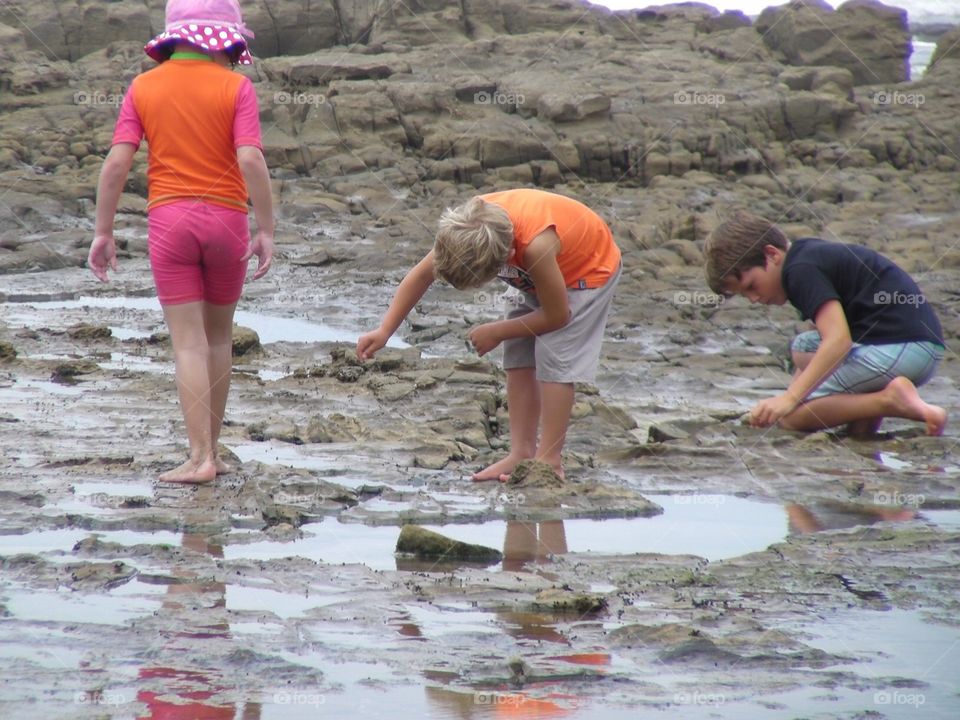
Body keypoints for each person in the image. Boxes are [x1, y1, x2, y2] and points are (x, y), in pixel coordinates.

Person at [87, 0, 274, 484]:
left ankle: (199, 458)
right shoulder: (237, 87)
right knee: (218, 341)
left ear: (174, 38)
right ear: (222, 41)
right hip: (228, 221)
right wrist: (267, 229)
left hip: (170, 222)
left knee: (188, 345)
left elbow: (115, 164)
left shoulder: (144, 86)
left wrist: (103, 232)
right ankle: (214, 451)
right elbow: (251, 159)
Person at [356, 189, 621, 481]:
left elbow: (558, 316)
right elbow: (420, 276)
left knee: (553, 356)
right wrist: (384, 331)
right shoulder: (463, 231)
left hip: (586, 272)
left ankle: (549, 462)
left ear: (507, 258)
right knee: (519, 350)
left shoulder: (535, 247)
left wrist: (497, 331)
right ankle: (521, 452)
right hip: (535, 277)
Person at [704, 211, 946, 437]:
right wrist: (793, 395)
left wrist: (789, 400)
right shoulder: (807, 256)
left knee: (793, 416)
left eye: (751, 286)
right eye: (745, 296)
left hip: (899, 351)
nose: (754, 299)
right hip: (922, 348)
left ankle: (891, 400)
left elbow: (838, 342)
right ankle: (864, 425)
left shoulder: (800, 271)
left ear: (772, 254)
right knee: (807, 348)